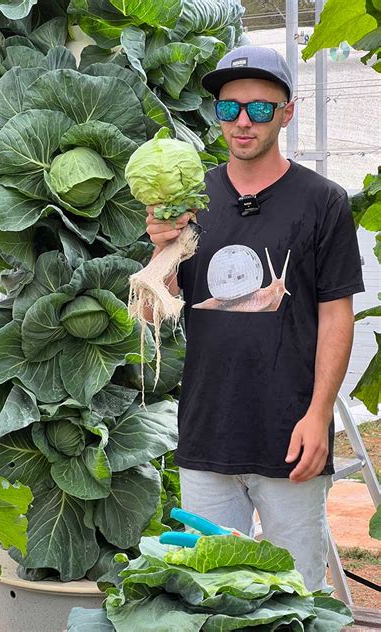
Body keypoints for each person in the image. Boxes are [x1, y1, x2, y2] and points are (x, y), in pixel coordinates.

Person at [145, 45, 365, 591]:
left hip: (291, 432)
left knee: (297, 595)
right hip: (207, 431)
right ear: (217, 112)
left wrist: (320, 416)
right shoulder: (191, 198)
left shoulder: (323, 201)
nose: (244, 121)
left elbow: (337, 316)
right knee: (211, 595)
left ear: (287, 112)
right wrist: (158, 253)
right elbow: (156, 311)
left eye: (261, 109)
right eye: (230, 108)